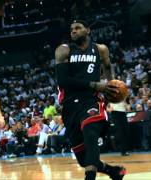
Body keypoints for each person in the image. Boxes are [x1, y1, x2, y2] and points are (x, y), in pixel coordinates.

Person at [55, 20, 126, 180]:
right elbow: (63, 81)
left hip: (90, 100)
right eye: (71, 29)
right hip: (70, 105)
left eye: (78, 28)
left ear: (88, 30)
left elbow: (108, 67)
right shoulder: (63, 50)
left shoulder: (100, 50)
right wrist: (96, 85)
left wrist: (111, 87)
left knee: (91, 133)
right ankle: (112, 171)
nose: (73, 31)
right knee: (83, 160)